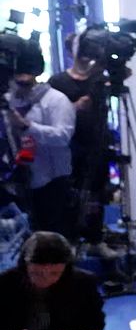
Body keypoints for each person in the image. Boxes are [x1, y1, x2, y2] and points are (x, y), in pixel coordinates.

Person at [48, 30, 115, 255]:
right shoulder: (58, 81)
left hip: (98, 144)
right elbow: (50, 112)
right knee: (69, 193)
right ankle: (69, 240)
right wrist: (73, 107)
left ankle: (95, 239)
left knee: (97, 193)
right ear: (71, 51)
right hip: (70, 146)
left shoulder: (100, 79)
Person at [4, 40, 76, 237]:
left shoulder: (56, 100)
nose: (21, 83)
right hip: (16, 180)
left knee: (50, 236)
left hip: (51, 181)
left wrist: (27, 126)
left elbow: (63, 136)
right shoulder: (8, 100)